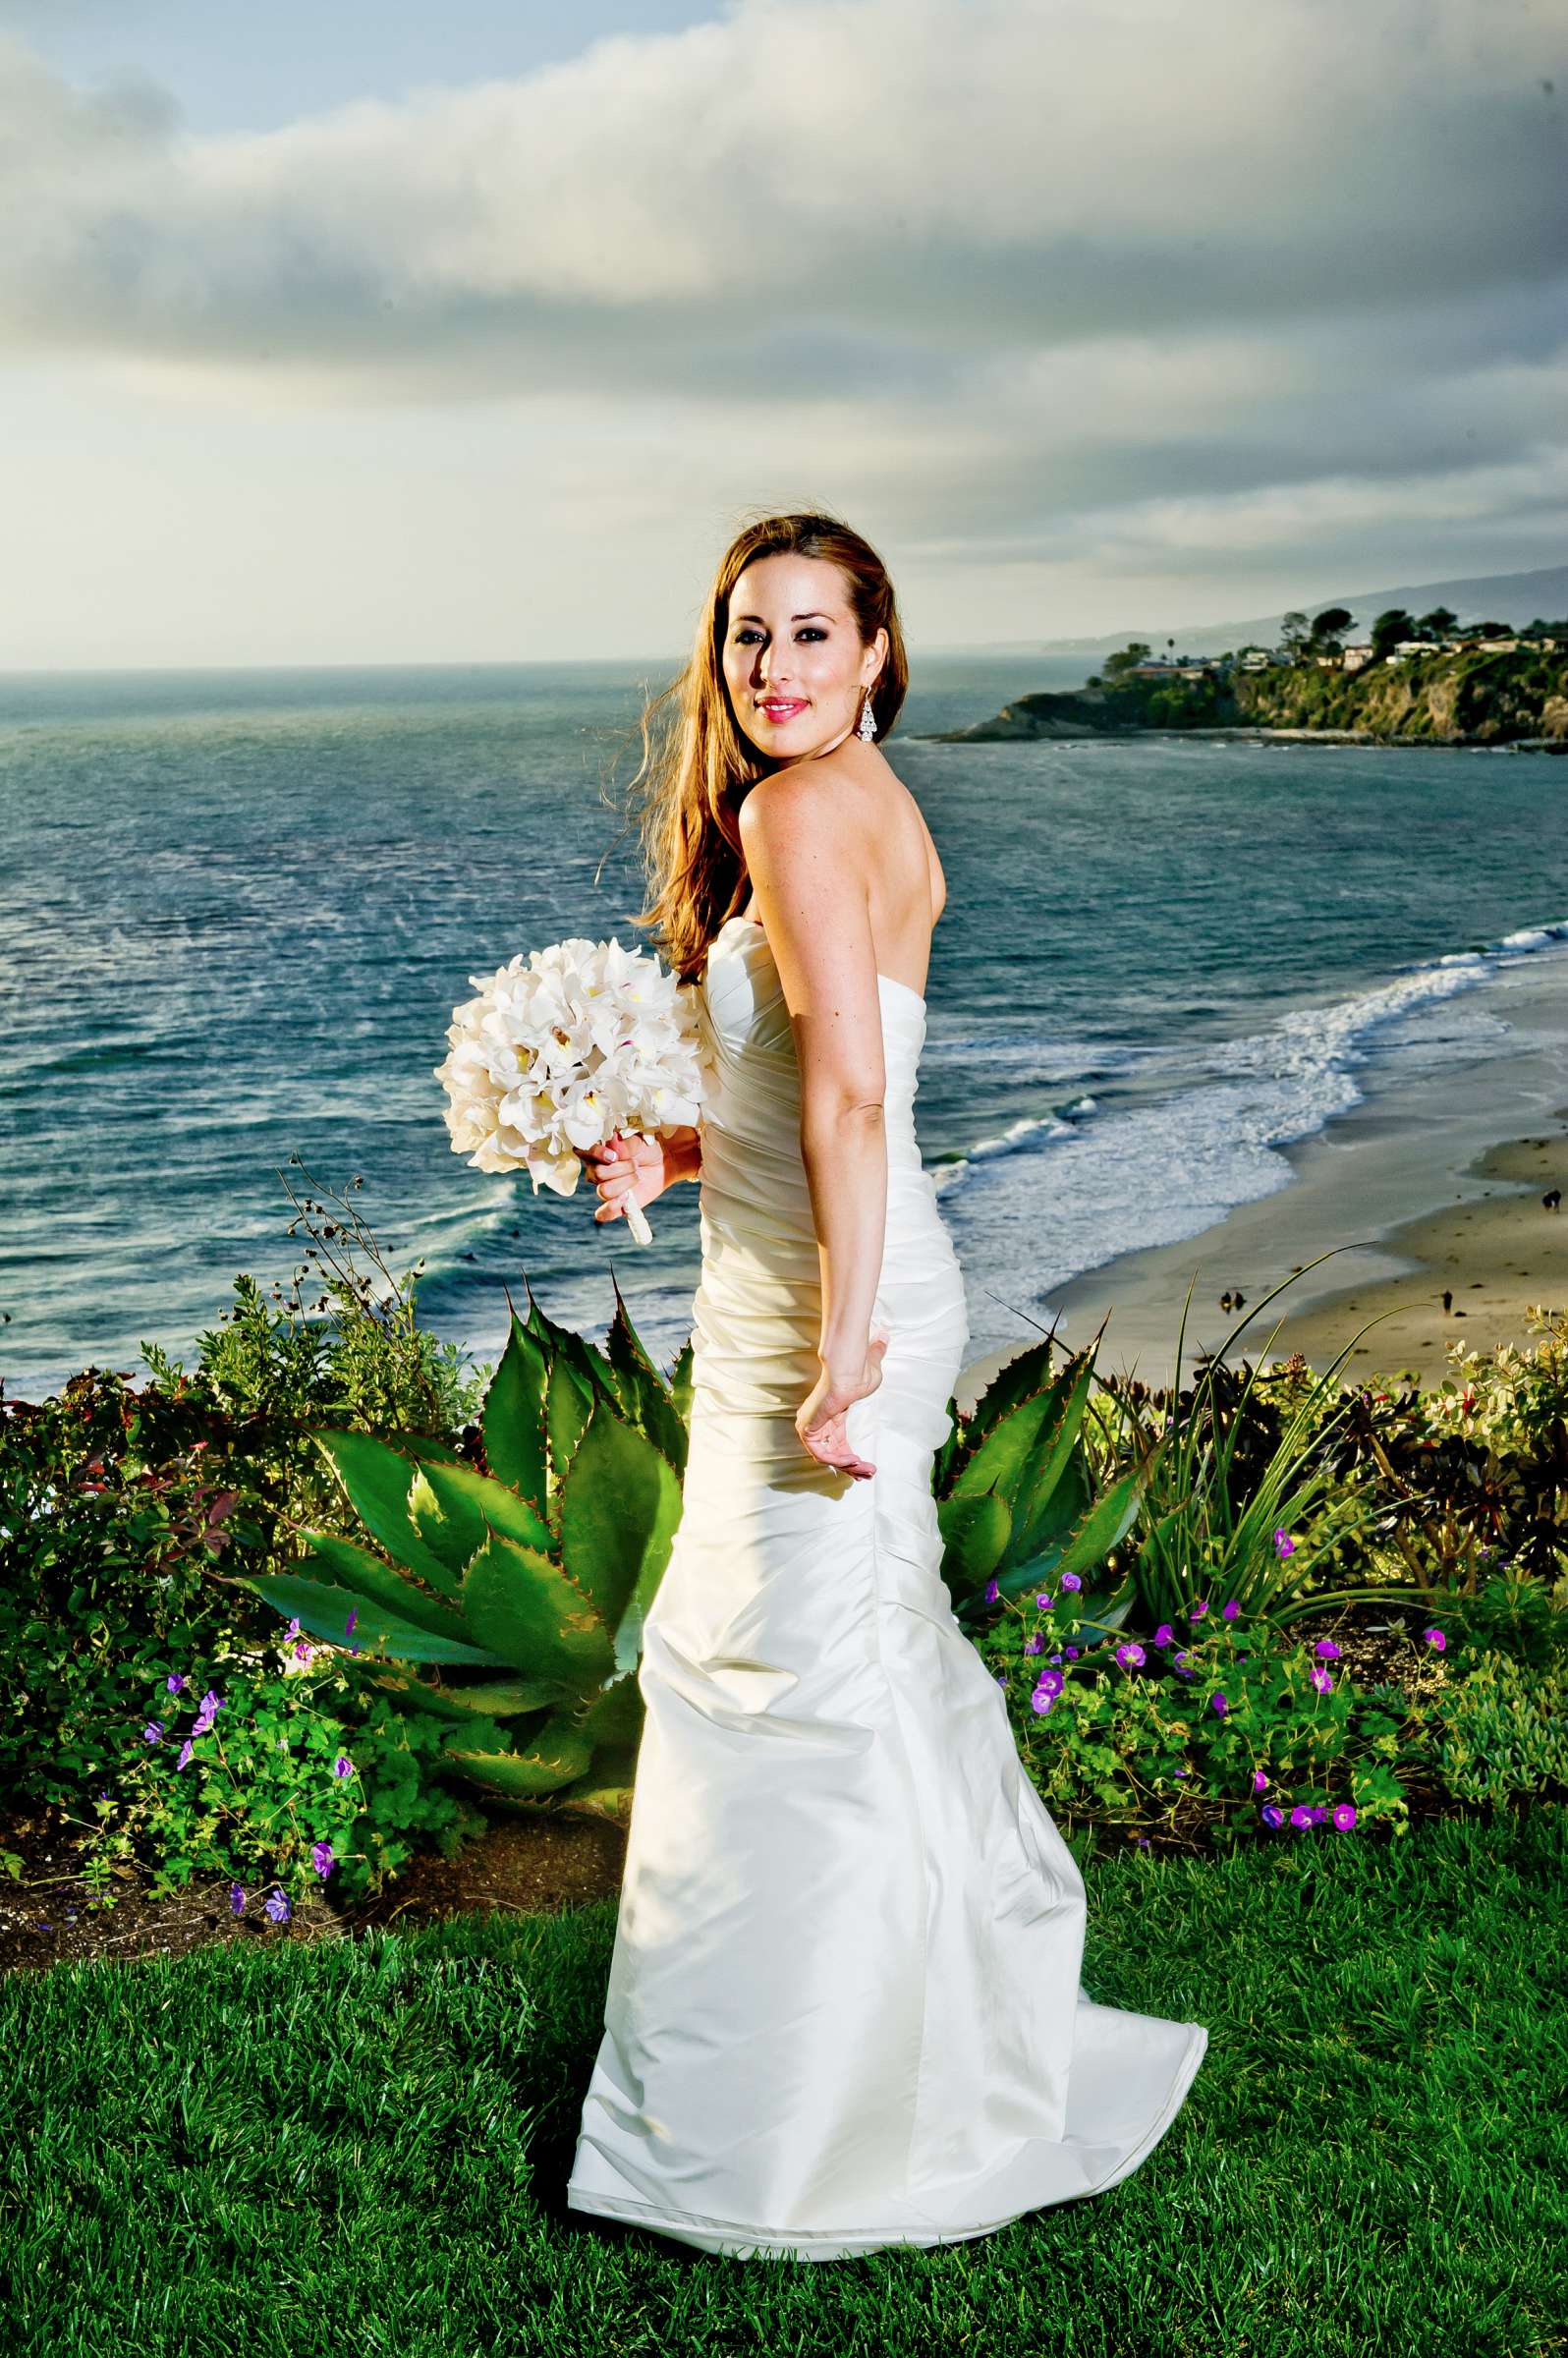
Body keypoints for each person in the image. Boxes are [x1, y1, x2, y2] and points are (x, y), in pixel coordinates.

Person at [564, 510, 1208, 2262]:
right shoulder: (863, 810)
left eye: (809, 636)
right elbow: (816, 1090)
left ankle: (802, 2132)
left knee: (781, 1670)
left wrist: (839, 1354)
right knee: (825, 1659)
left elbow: (855, 1103)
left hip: (828, 1308)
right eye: (747, 636)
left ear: (875, 654)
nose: (773, 669)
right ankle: (894, 2055)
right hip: (814, 1273)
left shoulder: (791, 811)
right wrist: (679, 1155)